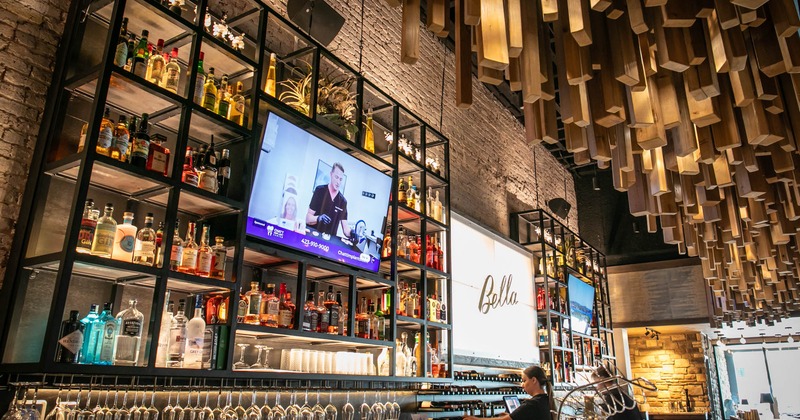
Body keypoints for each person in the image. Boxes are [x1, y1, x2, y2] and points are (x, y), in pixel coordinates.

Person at [464, 366, 554, 420]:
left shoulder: (532, 404)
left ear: (534, 380)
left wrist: (475, 419)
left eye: (524, 380)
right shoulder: (545, 399)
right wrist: (513, 416)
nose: (522, 385)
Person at [306, 162, 352, 238]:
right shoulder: (319, 191)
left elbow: (346, 229)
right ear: (331, 174)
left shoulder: (343, 201)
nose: (338, 182)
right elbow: (308, 219)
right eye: (336, 177)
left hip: (328, 243)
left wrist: (352, 234)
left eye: (340, 179)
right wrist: (318, 218)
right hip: (312, 237)